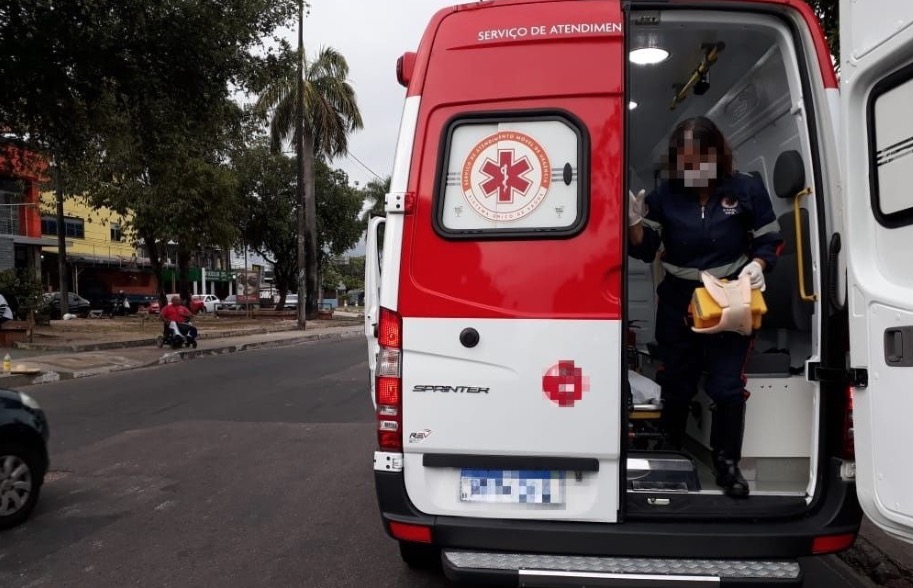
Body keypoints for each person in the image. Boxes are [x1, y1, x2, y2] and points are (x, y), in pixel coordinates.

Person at [628, 116, 783, 498]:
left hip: (730, 296)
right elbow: (645, 249)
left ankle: (727, 465)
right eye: (684, 162)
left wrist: (758, 266)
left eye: (699, 160)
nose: (692, 169)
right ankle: (670, 454)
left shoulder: (745, 189)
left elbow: (770, 239)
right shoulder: (665, 196)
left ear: (717, 154)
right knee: (676, 383)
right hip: (680, 298)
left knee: (727, 386)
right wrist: (633, 221)